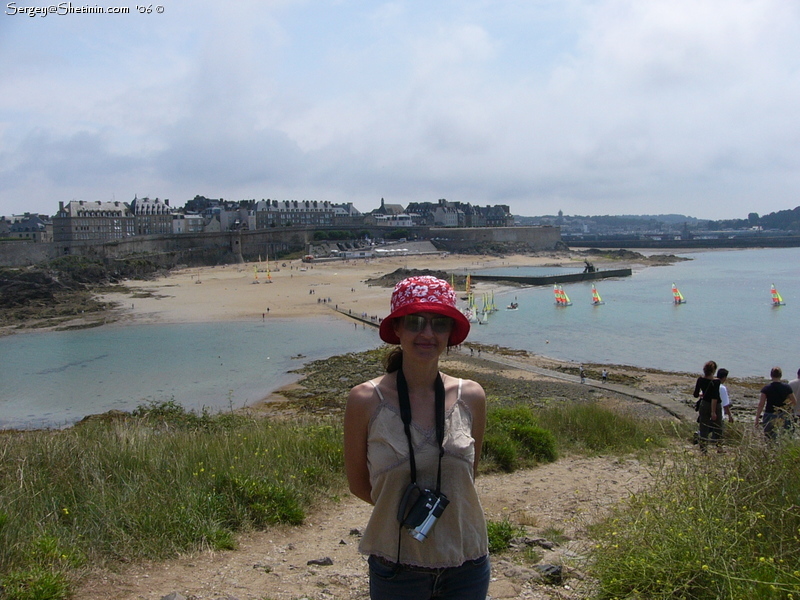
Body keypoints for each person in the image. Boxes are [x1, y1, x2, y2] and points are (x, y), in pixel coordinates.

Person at [343, 276, 490, 600]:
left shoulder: (472, 396)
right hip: (396, 565)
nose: (427, 333)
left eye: (439, 323)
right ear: (397, 329)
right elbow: (358, 484)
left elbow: (468, 477)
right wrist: (404, 507)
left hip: (466, 562)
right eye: (415, 322)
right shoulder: (365, 400)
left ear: (450, 334)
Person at [755, 367, 797, 440]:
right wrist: (786, 407)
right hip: (783, 414)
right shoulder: (787, 387)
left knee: (768, 437)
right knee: (783, 436)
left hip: (769, 414)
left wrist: (757, 419)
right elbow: (794, 401)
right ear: (780, 375)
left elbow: (761, 405)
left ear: (771, 375)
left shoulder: (766, 388)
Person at [693, 360, 720, 452]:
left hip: (703, 403)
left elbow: (695, 394)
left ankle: (703, 448)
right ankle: (718, 446)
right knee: (718, 426)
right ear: (714, 370)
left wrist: (702, 393)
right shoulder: (716, 382)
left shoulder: (700, 379)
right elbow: (714, 397)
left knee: (703, 426)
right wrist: (713, 411)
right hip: (714, 406)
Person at [715, 368, 734, 446]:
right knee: (719, 431)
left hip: (709, 409)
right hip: (719, 411)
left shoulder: (712, 384)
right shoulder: (722, 388)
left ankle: (699, 435)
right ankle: (719, 448)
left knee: (709, 427)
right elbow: (726, 404)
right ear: (724, 377)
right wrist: (730, 416)